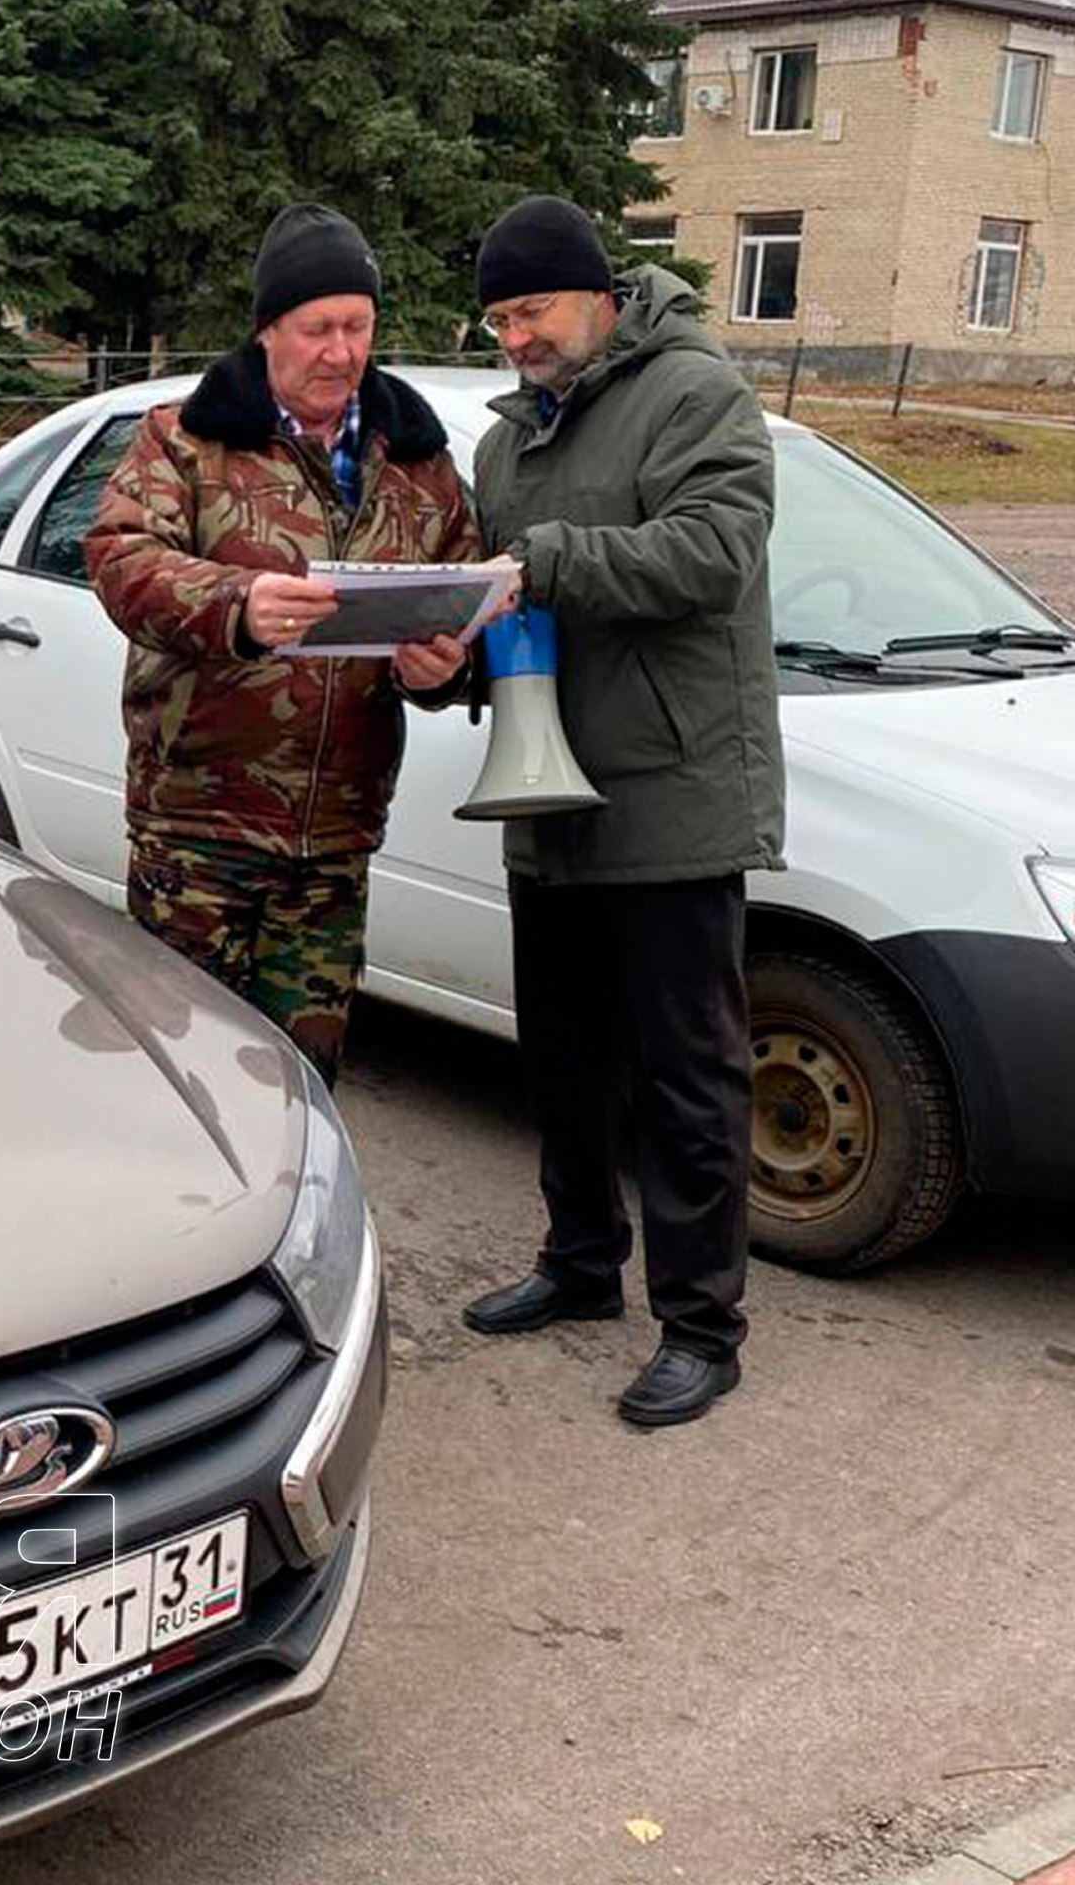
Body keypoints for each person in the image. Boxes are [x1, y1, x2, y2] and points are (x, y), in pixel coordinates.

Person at [455, 194, 783, 1429]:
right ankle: (580, 1266)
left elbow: (714, 554)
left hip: (674, 793)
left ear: (596, 293)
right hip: (548, 795)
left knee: (689, 1075)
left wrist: (545, 560)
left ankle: (702, 1325)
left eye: (530, 311)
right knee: (567, 1058)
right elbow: (509, 612)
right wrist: (446, 658)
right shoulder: (505, 442)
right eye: (496, 321)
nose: (516, 340)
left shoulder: (695, 392)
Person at [82, 202, 498, 1083]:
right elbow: (120, 559)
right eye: (317, 328)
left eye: (358, 326)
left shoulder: (419, 463)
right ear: (269, 329)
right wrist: (237, 603)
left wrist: (444, 671)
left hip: (336, 843)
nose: (340, 352)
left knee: (298, 1089)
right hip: (197, 830)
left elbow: (461, 598)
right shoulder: (184, 439)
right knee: (179, 1082)